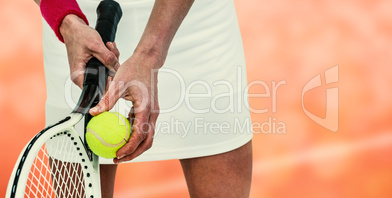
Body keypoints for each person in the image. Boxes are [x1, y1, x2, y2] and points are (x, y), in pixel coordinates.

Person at [35, 0, 253, 197]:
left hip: (194, 21)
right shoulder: (70, 26)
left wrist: (150, 55)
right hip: (78, 30)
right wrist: (66, 20)